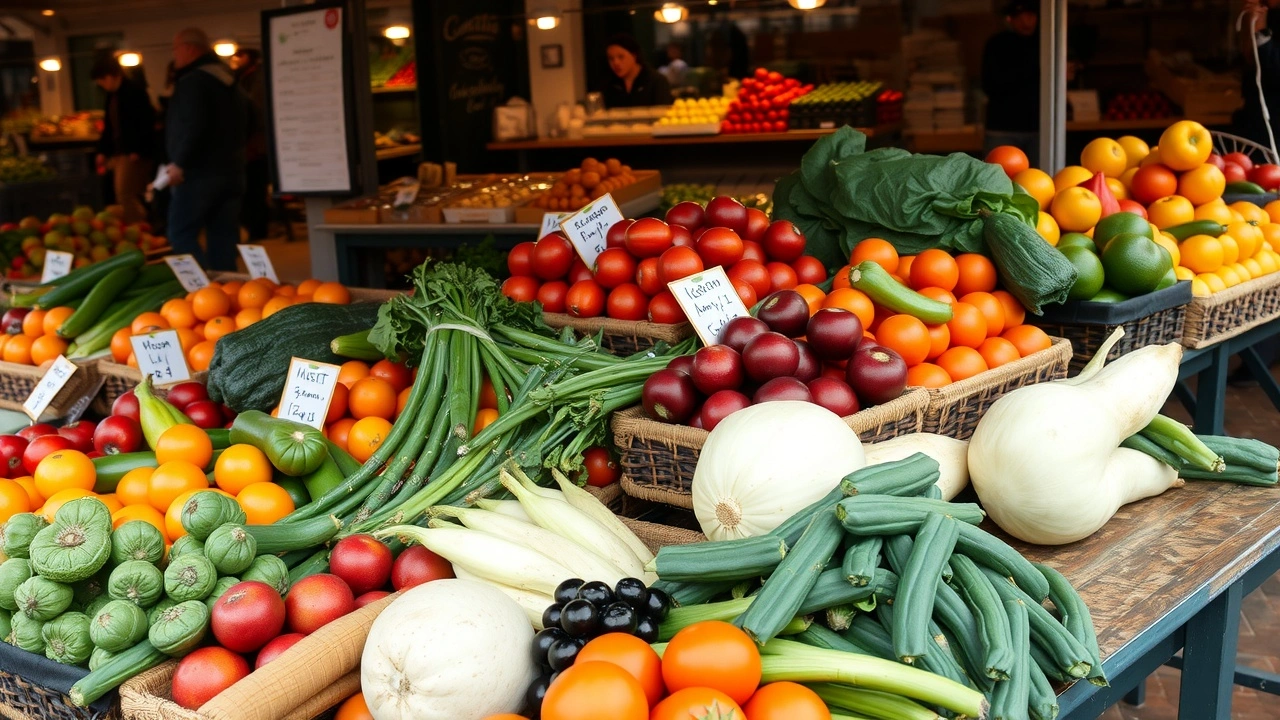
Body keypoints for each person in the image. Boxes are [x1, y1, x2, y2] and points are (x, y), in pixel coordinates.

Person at [165, 28, 249, 271]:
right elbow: (251, 118)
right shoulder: (230, 79)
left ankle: (202, 295)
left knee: (180, 234)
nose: (175, 54)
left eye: (176, 48)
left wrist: (179, 163)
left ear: (190, 49)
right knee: (223, 236)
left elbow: (194, 124)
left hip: (199, 173)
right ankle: (227, 294)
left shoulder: (194, 81)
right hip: (232, 171)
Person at [91, 55, 157, 224]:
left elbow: (145, 122)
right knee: (122, 192)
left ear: (112, 76)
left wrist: (137, 149)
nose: (101, 84)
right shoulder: (112, 96)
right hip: (121, 152)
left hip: (133, 153)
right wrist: (102, 151)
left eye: (102, 80)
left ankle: (140, 226)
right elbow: (110, 127)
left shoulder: (134, 92)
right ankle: (139, 224)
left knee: (125, 193)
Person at [982, 1, 1040, 168]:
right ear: (1010, 20)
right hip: (1002, 128)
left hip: (1039, 128)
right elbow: (990, 85)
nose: (1026, 22)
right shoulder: (996, 44)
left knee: (1039, 181)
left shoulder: (1046, 44)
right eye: (1019, 18)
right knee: (996, 180)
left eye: (1030, 16)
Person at [231, 48, 269, 242]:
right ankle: (253, 226)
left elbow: (256, 107)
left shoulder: (257, 78)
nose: (236, 60)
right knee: (249, 189)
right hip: (248, 143)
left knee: (255, 188)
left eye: (240, 56)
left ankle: (257, 228)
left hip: (256, 143)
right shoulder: (241, 77)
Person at [1235, 0, 1280, 152]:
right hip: (1256, 114)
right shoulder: (1267, 9)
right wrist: (1252, 24)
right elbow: (1251, 58)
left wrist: (1261, 32)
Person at [602, 34, 672, 108]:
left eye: (621, 57)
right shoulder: (608, 84)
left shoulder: (656, 81)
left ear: (634, 55)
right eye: (611, 59)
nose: (616, 63)